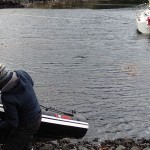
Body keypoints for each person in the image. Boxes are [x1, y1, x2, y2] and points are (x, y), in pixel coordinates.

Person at [0, 64, 41, 150]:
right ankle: (28, 147)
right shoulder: (21, 73)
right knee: (25, 140)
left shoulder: (7, 98)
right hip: (37, 113)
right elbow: (31, 83)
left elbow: (13, 123)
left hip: (27, 124)